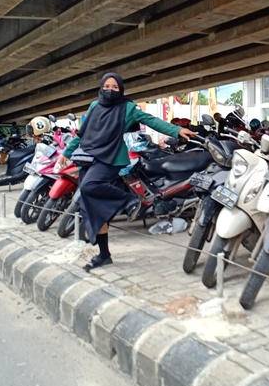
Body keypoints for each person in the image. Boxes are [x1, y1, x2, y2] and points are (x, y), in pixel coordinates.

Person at [57, 73, 197, 272]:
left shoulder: (127, 108)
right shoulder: (94, 106)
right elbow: (82, 133)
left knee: (89, 186)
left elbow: (151, 120)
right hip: (89, 158)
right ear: (101, 87)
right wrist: (66, 152)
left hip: (111, 158)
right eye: (107, 86)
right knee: (93, 207)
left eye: (115, 87)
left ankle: (129, 200)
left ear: (121, 89)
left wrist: (175, 131)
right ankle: (104, 255)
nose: (110, 90)